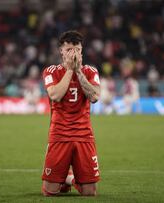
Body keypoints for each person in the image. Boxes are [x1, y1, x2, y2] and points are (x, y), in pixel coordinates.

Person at [41, 30, 101, 196]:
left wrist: (79, 71)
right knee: (49, 192)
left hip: (84, 135)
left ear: (82, 50)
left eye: (77, 49)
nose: (73, 53)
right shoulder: (51, 71)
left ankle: (70, 178)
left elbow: (95, 96)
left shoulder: (90, 71)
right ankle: (66, 177)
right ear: (61, 51)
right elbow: (55, 95)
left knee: (90, 193)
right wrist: (69, 70)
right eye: (69, 50)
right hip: (60, 134)